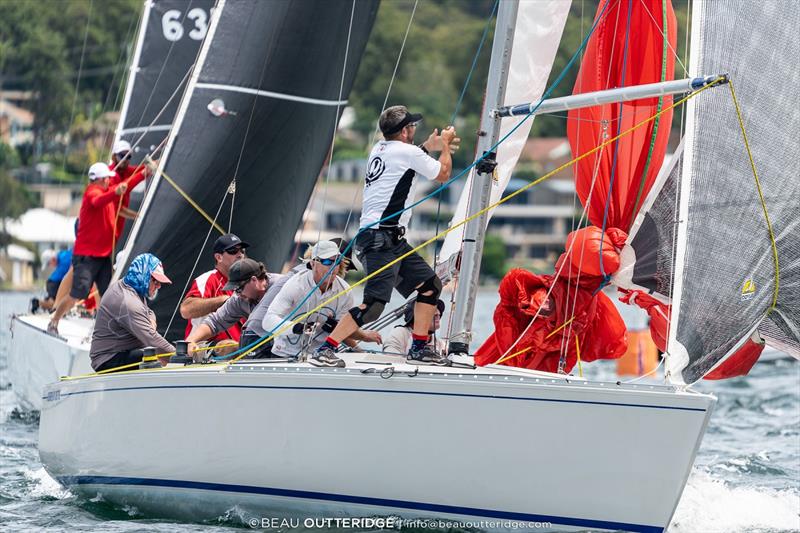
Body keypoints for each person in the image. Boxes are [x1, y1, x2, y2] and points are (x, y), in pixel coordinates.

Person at [313, 105, 457, 366]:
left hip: (388, 239)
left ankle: (419, 348)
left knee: (430, 286)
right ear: (404, 132)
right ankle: (326, 348)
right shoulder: (406, 151)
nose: (414, 129)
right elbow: (443, 174)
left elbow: (406, 162)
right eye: (412, 126)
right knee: (375, 304)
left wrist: (426, 146)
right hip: (381, 240)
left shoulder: (379, 149)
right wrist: (445, 146)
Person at [264, 241, 381, 365]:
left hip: (321, 358)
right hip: (285, 354)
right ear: (313, 263)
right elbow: (268, 321)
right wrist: (297, 327)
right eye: (327, 262)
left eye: (337, 261)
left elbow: (345, 329)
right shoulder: (296, 285)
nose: (333, 267)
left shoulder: (345, 292)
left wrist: (360, 343)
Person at [48, 162, 128, 335]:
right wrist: (116, 191)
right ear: (99, 179)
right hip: (86, 251)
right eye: (106, 178)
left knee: (108, 293)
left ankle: (102, 328)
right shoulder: (93, 192)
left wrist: (145, 171)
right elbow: (98, 201)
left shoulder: (108, 188)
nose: (109, 180)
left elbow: (120, 202)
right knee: (78, 290)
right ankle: (54, 319)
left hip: (101, 252)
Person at [89, 253, 174, 372]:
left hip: (120, 353)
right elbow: (152, 339)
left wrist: (151, 321)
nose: (159, 286)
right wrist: (178, 356)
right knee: (154, 355)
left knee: (156, 353)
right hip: (108, 360)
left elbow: (149, 312)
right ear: (143, 275)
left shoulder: (130, 287)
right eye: (155, 281)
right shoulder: (128, 302)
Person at [185, 258, 279, 359]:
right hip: (264, 348)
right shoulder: (240, 298)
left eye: (239, 289)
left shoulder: (281, 286)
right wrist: (190, 341)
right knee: (227, 348)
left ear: (254, 280)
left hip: (290, 348)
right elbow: (215, 322)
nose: (237, 294)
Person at [180, 233, 249, 346]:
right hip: (207, 354)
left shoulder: (246, 283)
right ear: (218, 257)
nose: (240, 254)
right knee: (228, 347)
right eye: (233, 250)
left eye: (242, 250)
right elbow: (186, 310)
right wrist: (224, 301)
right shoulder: (209, 279)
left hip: (239, 353)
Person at [108, 139, 150, 244]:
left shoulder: (126, 171)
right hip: (104, 231)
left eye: (129, 157)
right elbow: (118, 209)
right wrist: (140, 217)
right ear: (114, 157)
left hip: (115, 232)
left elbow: (146, 169)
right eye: (122, 156)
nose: (126, 160)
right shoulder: (109, 175)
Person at [39, 247, 72, 311]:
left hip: (53, 283)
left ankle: (39, 303)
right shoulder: (62, 254)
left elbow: (58, 278)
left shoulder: (64, 261)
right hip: (55, 283)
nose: (50, 266)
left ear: (53, 259)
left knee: (53, 304)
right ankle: (43, 302)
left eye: (49, 264)